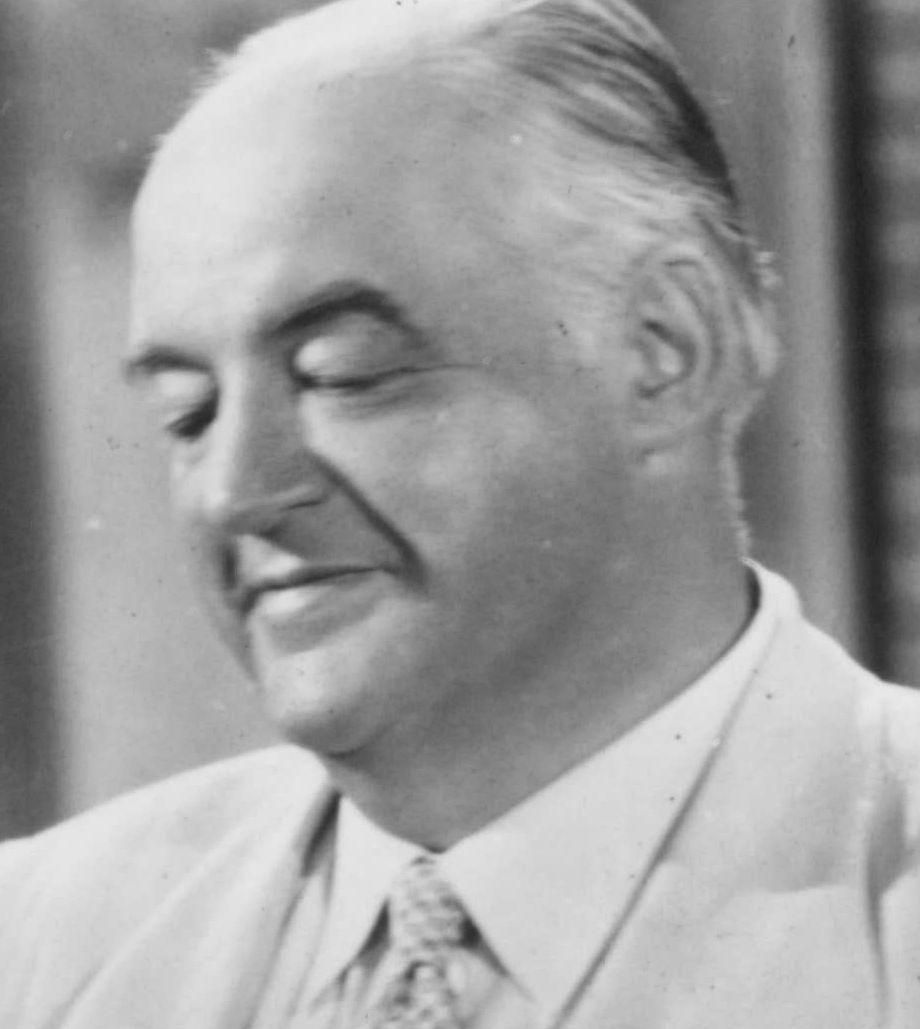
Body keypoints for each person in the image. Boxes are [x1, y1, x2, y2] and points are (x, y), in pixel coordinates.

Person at [2, 0, 919, 1025]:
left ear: (666, 347)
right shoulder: (38, 943)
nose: (233, 490)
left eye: (345, 373)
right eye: (189, 413)